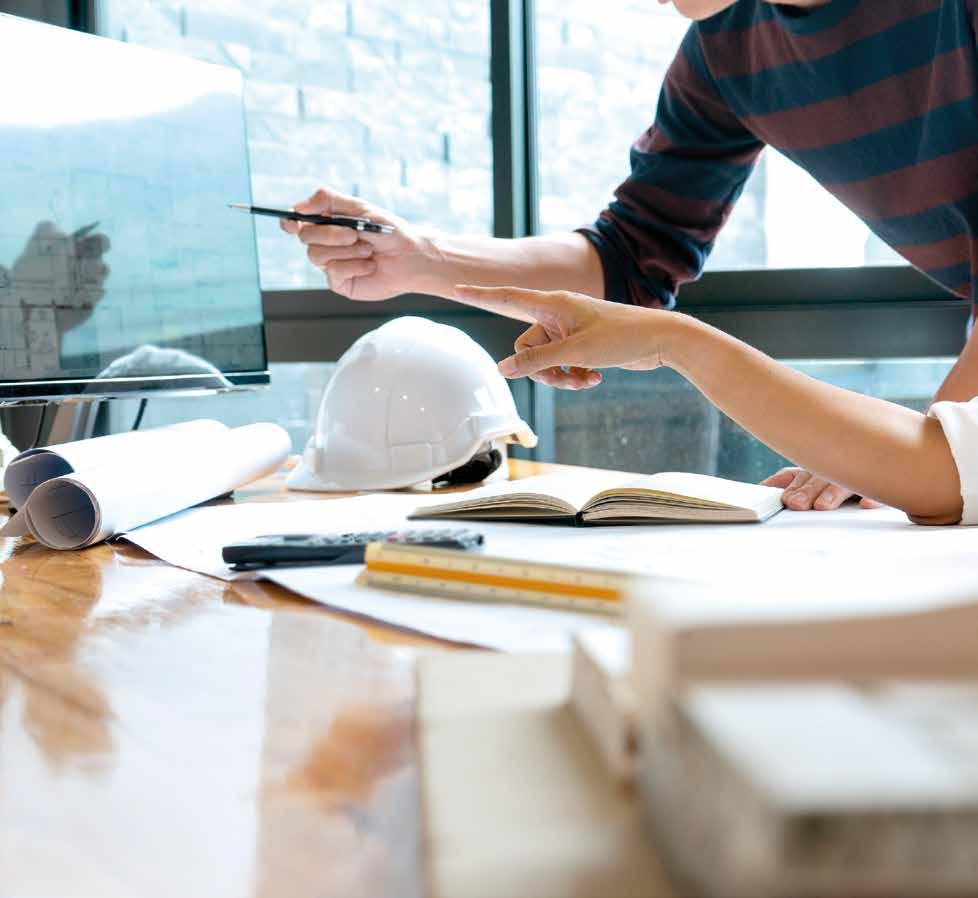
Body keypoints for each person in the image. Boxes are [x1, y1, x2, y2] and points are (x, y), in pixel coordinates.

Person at [282, 0, 978, 517]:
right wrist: (422, 260)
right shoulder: (723, 50)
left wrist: (912, 459)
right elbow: (629, 260)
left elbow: (945, 476)